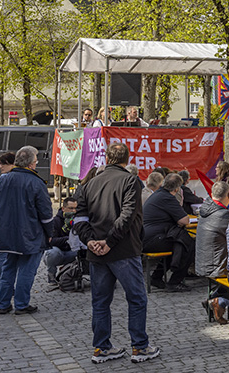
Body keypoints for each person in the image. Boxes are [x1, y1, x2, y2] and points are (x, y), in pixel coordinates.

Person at [72, 141, 158, 363]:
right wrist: (109, 242)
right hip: (123, 250)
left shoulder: (89, 184)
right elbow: (127, 216)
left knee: (100, 302)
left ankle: (101, 348)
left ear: (107, 159)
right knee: (137, 299)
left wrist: (90, 241)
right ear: (127, 160)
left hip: (97, 251)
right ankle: (140, 347)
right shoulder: (130, 181)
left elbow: (79, 218)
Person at [0, 145, 55, 316]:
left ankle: (3, 303)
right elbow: (46, 213)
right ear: (31, 164)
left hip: (6, 233)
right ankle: (21, 304)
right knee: (27, 270)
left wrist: (0, 222)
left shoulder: (2, 180)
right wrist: (50, 233)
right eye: (36, 161)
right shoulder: (36, 182)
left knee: (8, 268)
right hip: (30, 234)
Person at [142, 174, 193, 291]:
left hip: (147, 238)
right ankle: (175, 282)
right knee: (187, 244)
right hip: (153, 240)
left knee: (179, 243)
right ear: (177, 189)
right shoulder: (167, 198)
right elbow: (184, 220)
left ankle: (156, 277)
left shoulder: (158, 194)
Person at [197, 180, 229, 319]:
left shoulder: (206, 209)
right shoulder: (224, 215)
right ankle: (220, 301)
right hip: (216, 265)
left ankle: (215, 298)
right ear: (228, 195)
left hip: (203, 262)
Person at [43, 197, 80, 284]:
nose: (74, 211)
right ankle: (51, 274)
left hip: (72, 252)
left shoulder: (78, 220)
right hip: (58, 252)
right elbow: (51, 241)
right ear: (63, 208)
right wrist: (68, 239)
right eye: (71, 208)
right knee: (52, 253)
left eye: (76, 208)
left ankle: (70, 273)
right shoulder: (55, 221)